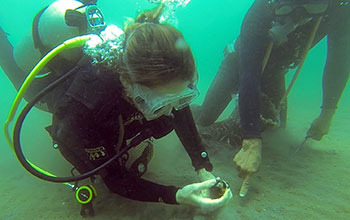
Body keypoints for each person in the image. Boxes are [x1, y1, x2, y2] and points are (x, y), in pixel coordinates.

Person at [0, 0, 232, 216]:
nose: (173, 108)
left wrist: (203, 167)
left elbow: (178, 108)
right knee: (12, 65)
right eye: (162, 103)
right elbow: (114, 180)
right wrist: (176, 195)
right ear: (132, 87)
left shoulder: (160, 76)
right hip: (50, 91)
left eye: (181, 97)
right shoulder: (84, 107)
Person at [195, 0, 350, 197]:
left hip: (275, 72)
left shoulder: (339, 8)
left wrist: (327, 113)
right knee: (206, 119)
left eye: (309, 7)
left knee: (272, 134)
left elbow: (339, 58)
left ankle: (236, 125)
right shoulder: (262, 8)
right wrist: (251, 141)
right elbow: (249, 75)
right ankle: (188, 112)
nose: (297, 15)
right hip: (240, 64)